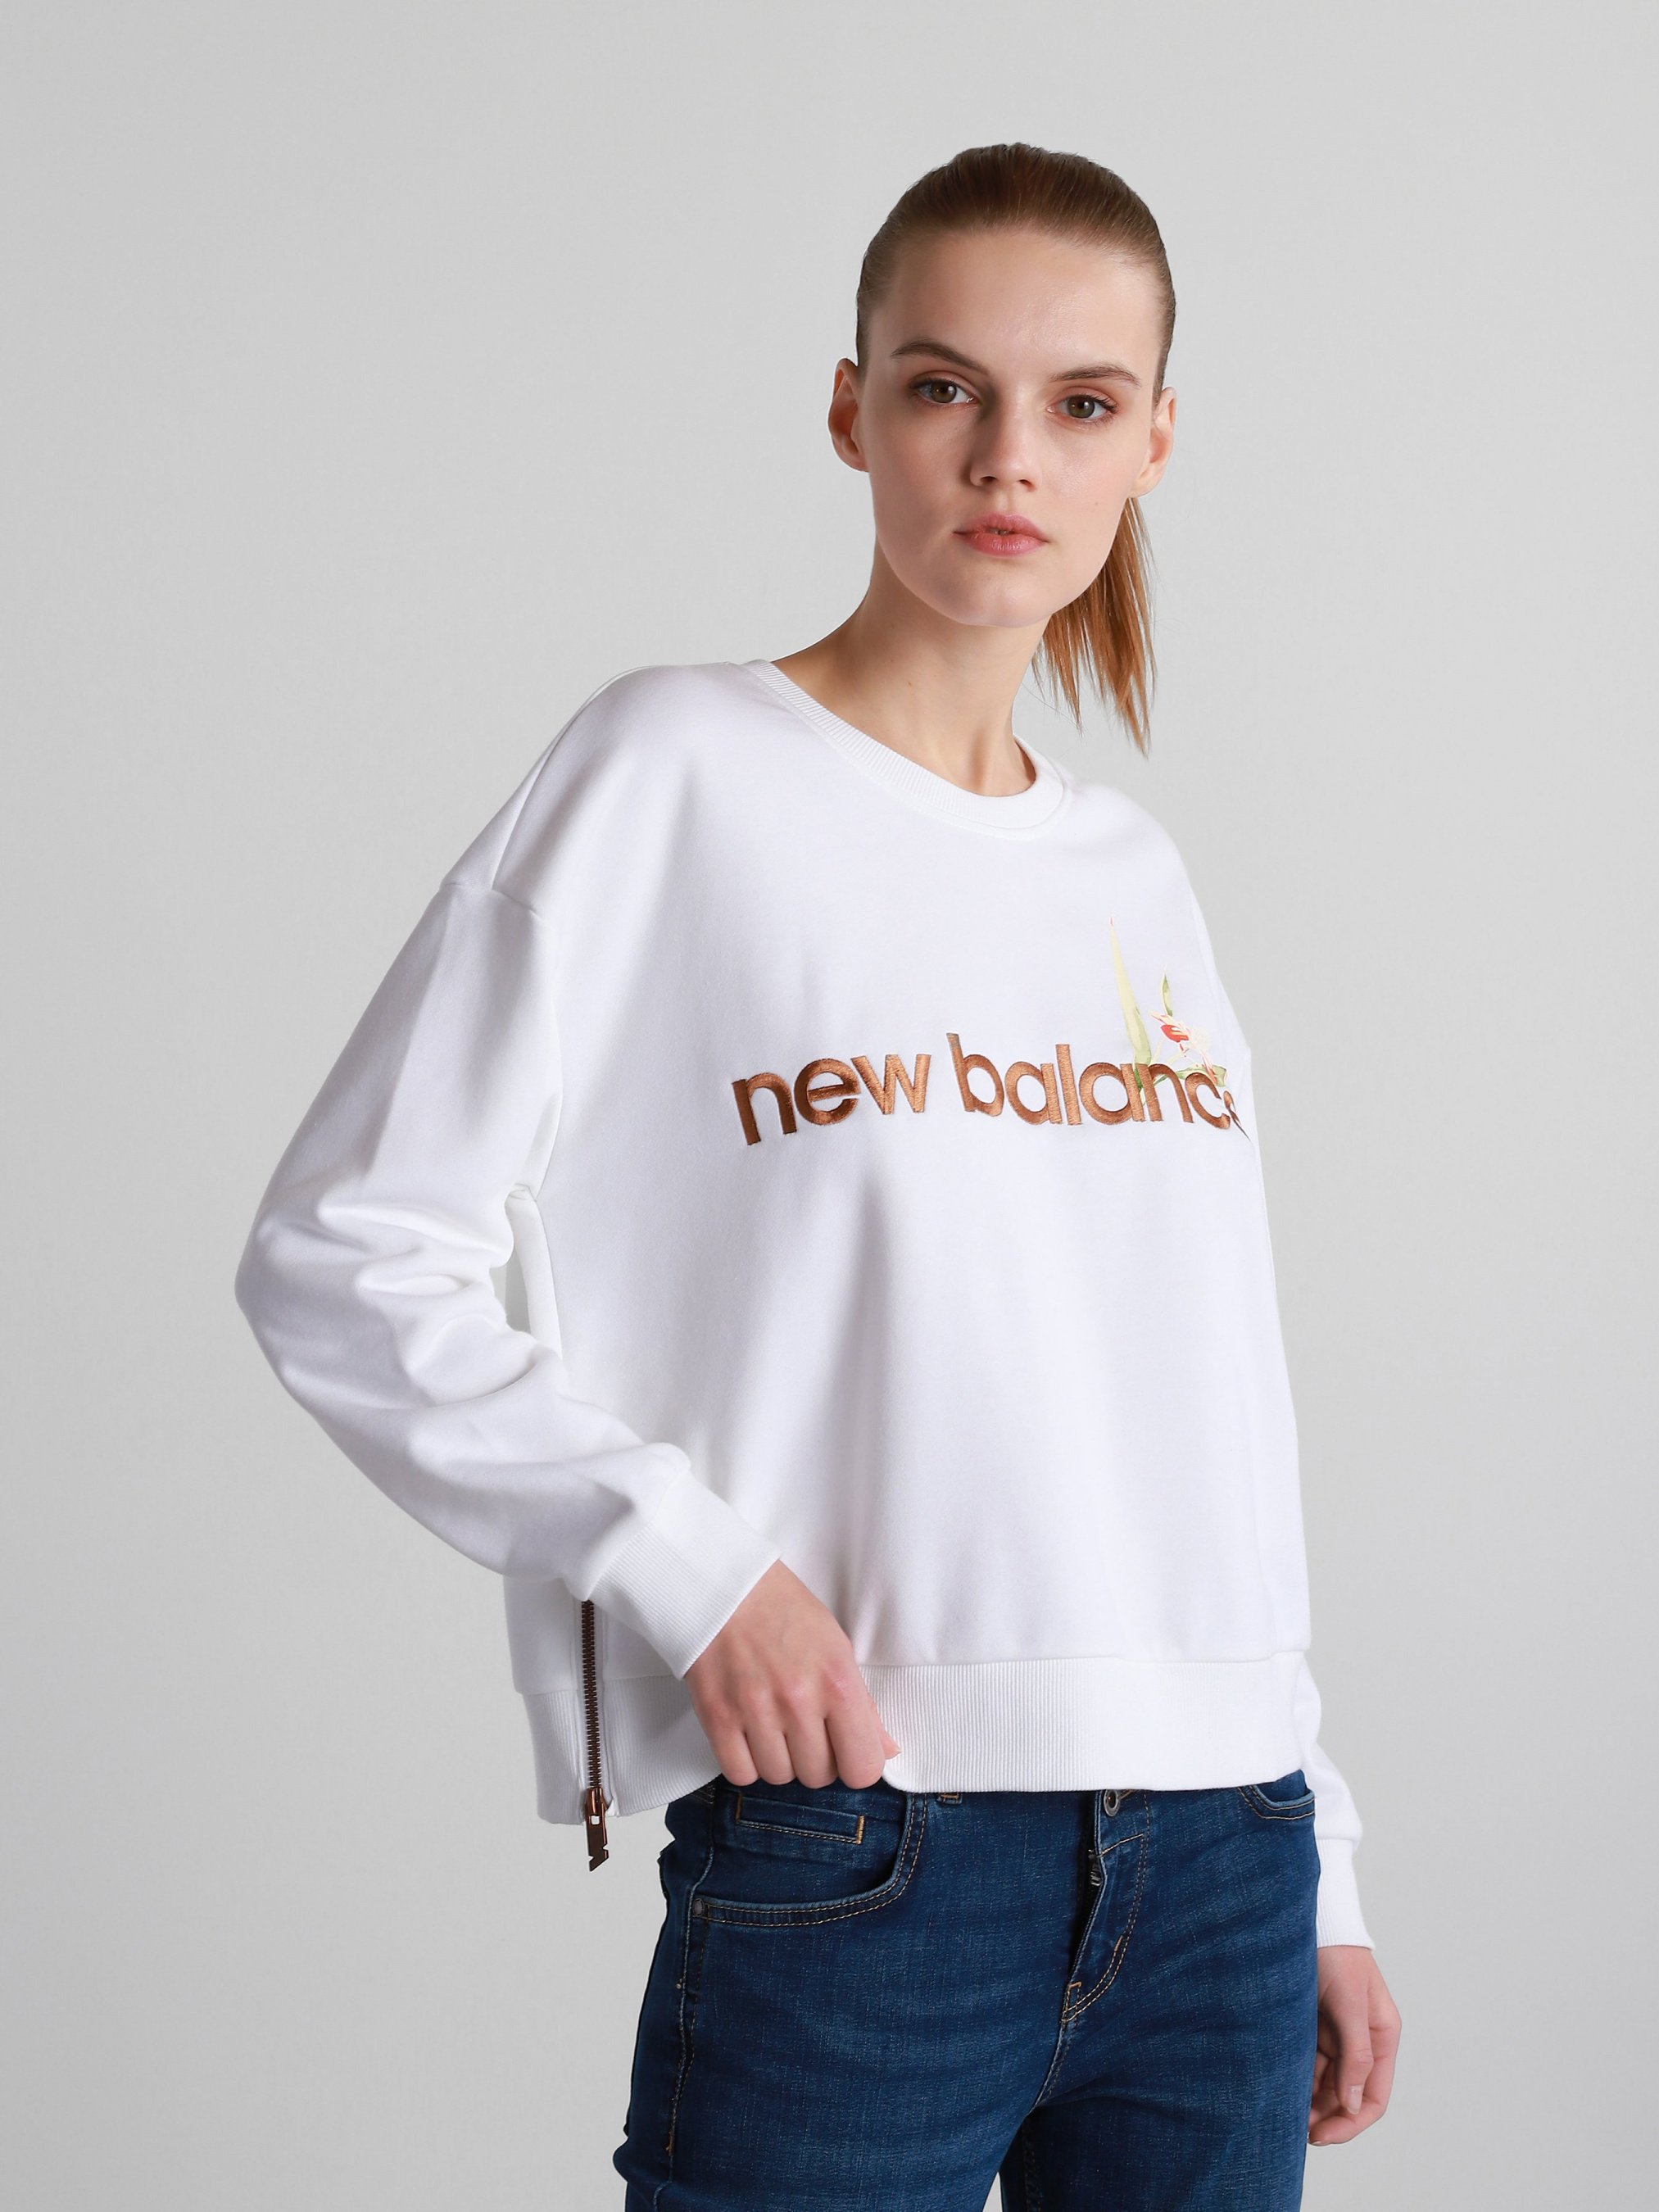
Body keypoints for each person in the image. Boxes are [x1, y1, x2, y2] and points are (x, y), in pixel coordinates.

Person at [233, 141, 1401, 2210]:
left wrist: (1322, 1848)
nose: (1005, 457)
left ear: (1152, 441)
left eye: (1078, 403)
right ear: (852, 410)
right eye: (944, 387)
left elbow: (1197, 1400)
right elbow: (339, 1251)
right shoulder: (667, 774)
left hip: (1226, 1863)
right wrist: (690, 1570)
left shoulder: (1132, 877)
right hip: (869, 1846)